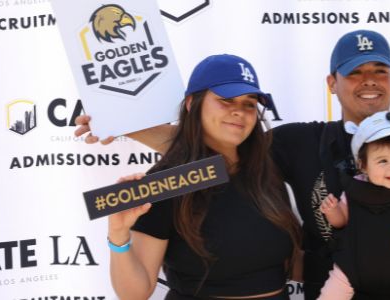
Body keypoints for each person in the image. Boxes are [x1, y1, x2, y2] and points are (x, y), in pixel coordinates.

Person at [77, 29, 390, 300]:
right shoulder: (300, 142)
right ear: (332, 83)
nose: (369, 80)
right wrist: (124, 124)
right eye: (355, 72)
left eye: (380, 71)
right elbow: (219, 149)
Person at [106, 54, 302, 299]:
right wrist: (118, 236)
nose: (239, 112)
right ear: (191, 103)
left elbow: (293, 266)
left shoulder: (266, 168)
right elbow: (135, 293)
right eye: (226, 100)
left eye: (249, 104)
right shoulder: (167, 182)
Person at [315, 111, 390, 299]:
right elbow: (340, 222)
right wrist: (333, 211)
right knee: (330, 294)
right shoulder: (351, 190)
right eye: (383, 160)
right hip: (352, 270)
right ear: (362, 165)